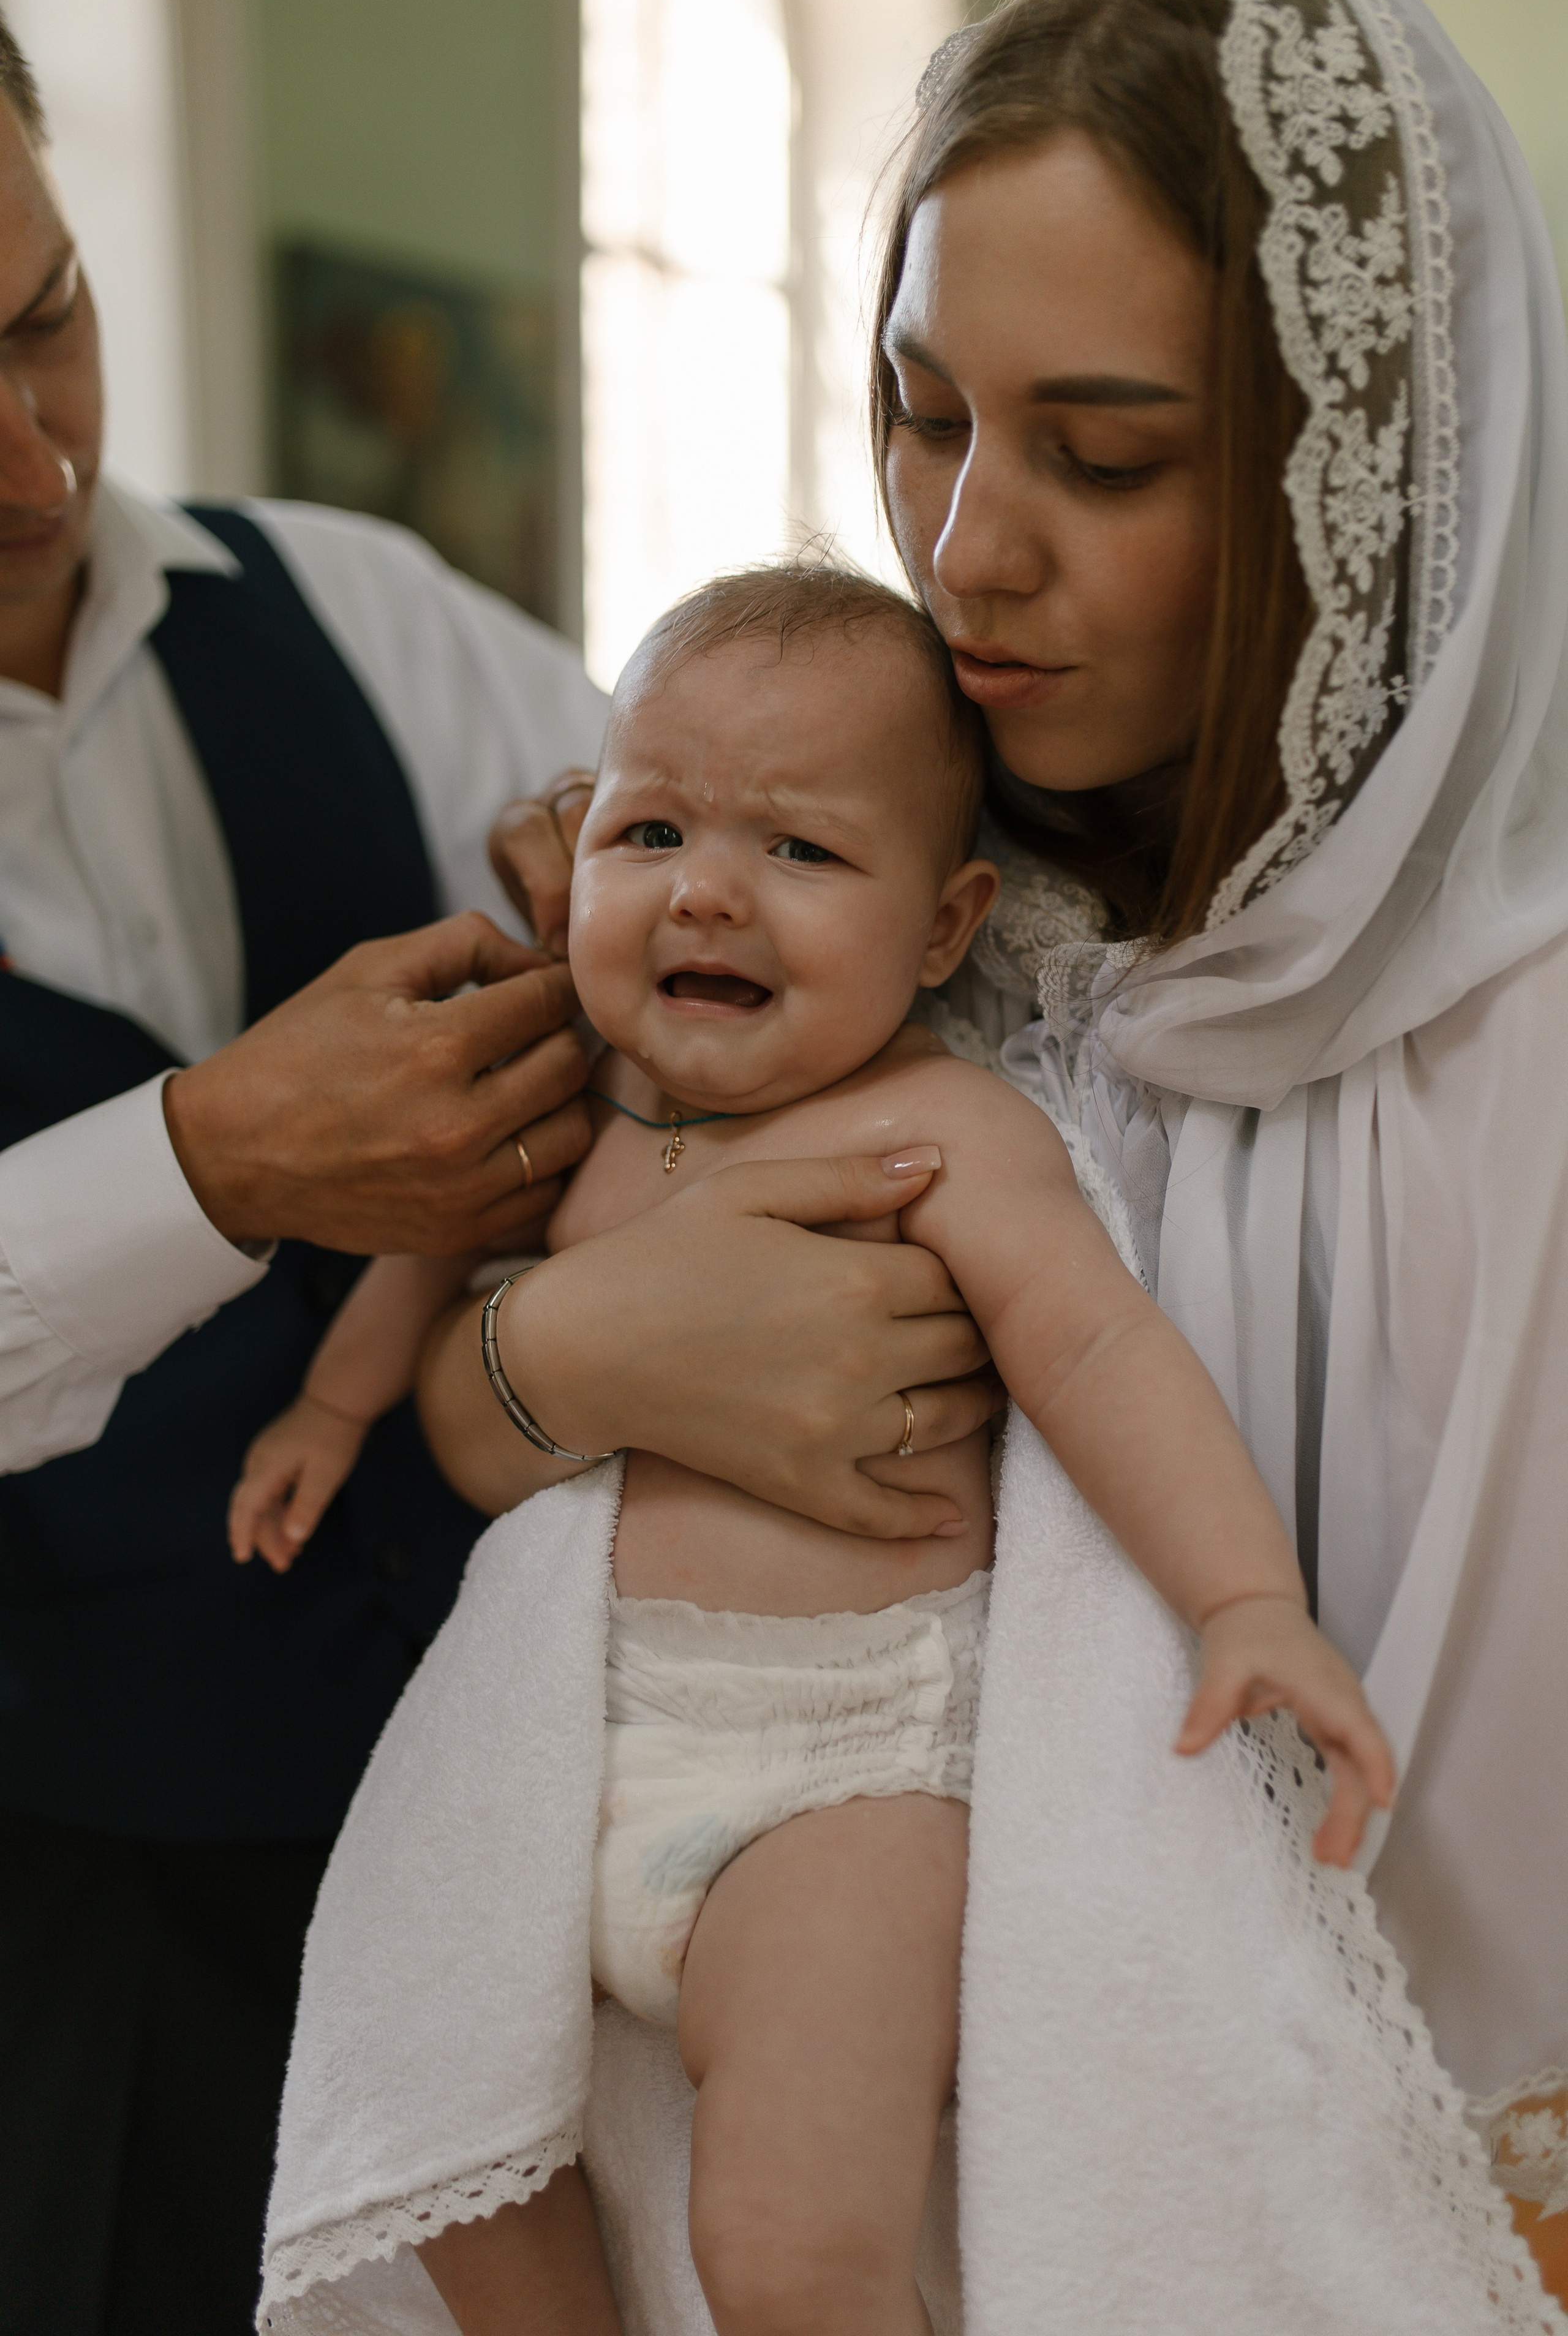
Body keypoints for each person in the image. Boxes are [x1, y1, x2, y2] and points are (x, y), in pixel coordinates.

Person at [355, 0, 1567, 2314]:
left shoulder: (1505, 1065)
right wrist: (559, 1351)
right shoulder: (882, 938)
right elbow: (501, 1435)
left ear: (1359, 477)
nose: (967, 548)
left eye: (1103, 461)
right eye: (921, 418)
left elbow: (1498, 1949)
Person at [240, 560, 1393, 2335]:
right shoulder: (568, 1087)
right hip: (562, 1755)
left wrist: (1244, 1597)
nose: (708, 889)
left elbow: (1094, 1345)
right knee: (447, 2156)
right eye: (651, 834)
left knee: (791, 2252)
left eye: (799, 851)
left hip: (840, 1771)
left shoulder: (941, 1129)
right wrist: (331, 1403)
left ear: (943, 929)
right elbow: (425, 1231)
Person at [0, 20, 613, 2336]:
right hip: (68, 1921)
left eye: (45, 318)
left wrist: (658, 888)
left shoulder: (358, 608)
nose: (32, 455)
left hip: (492, 1808)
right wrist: (210, 1156)